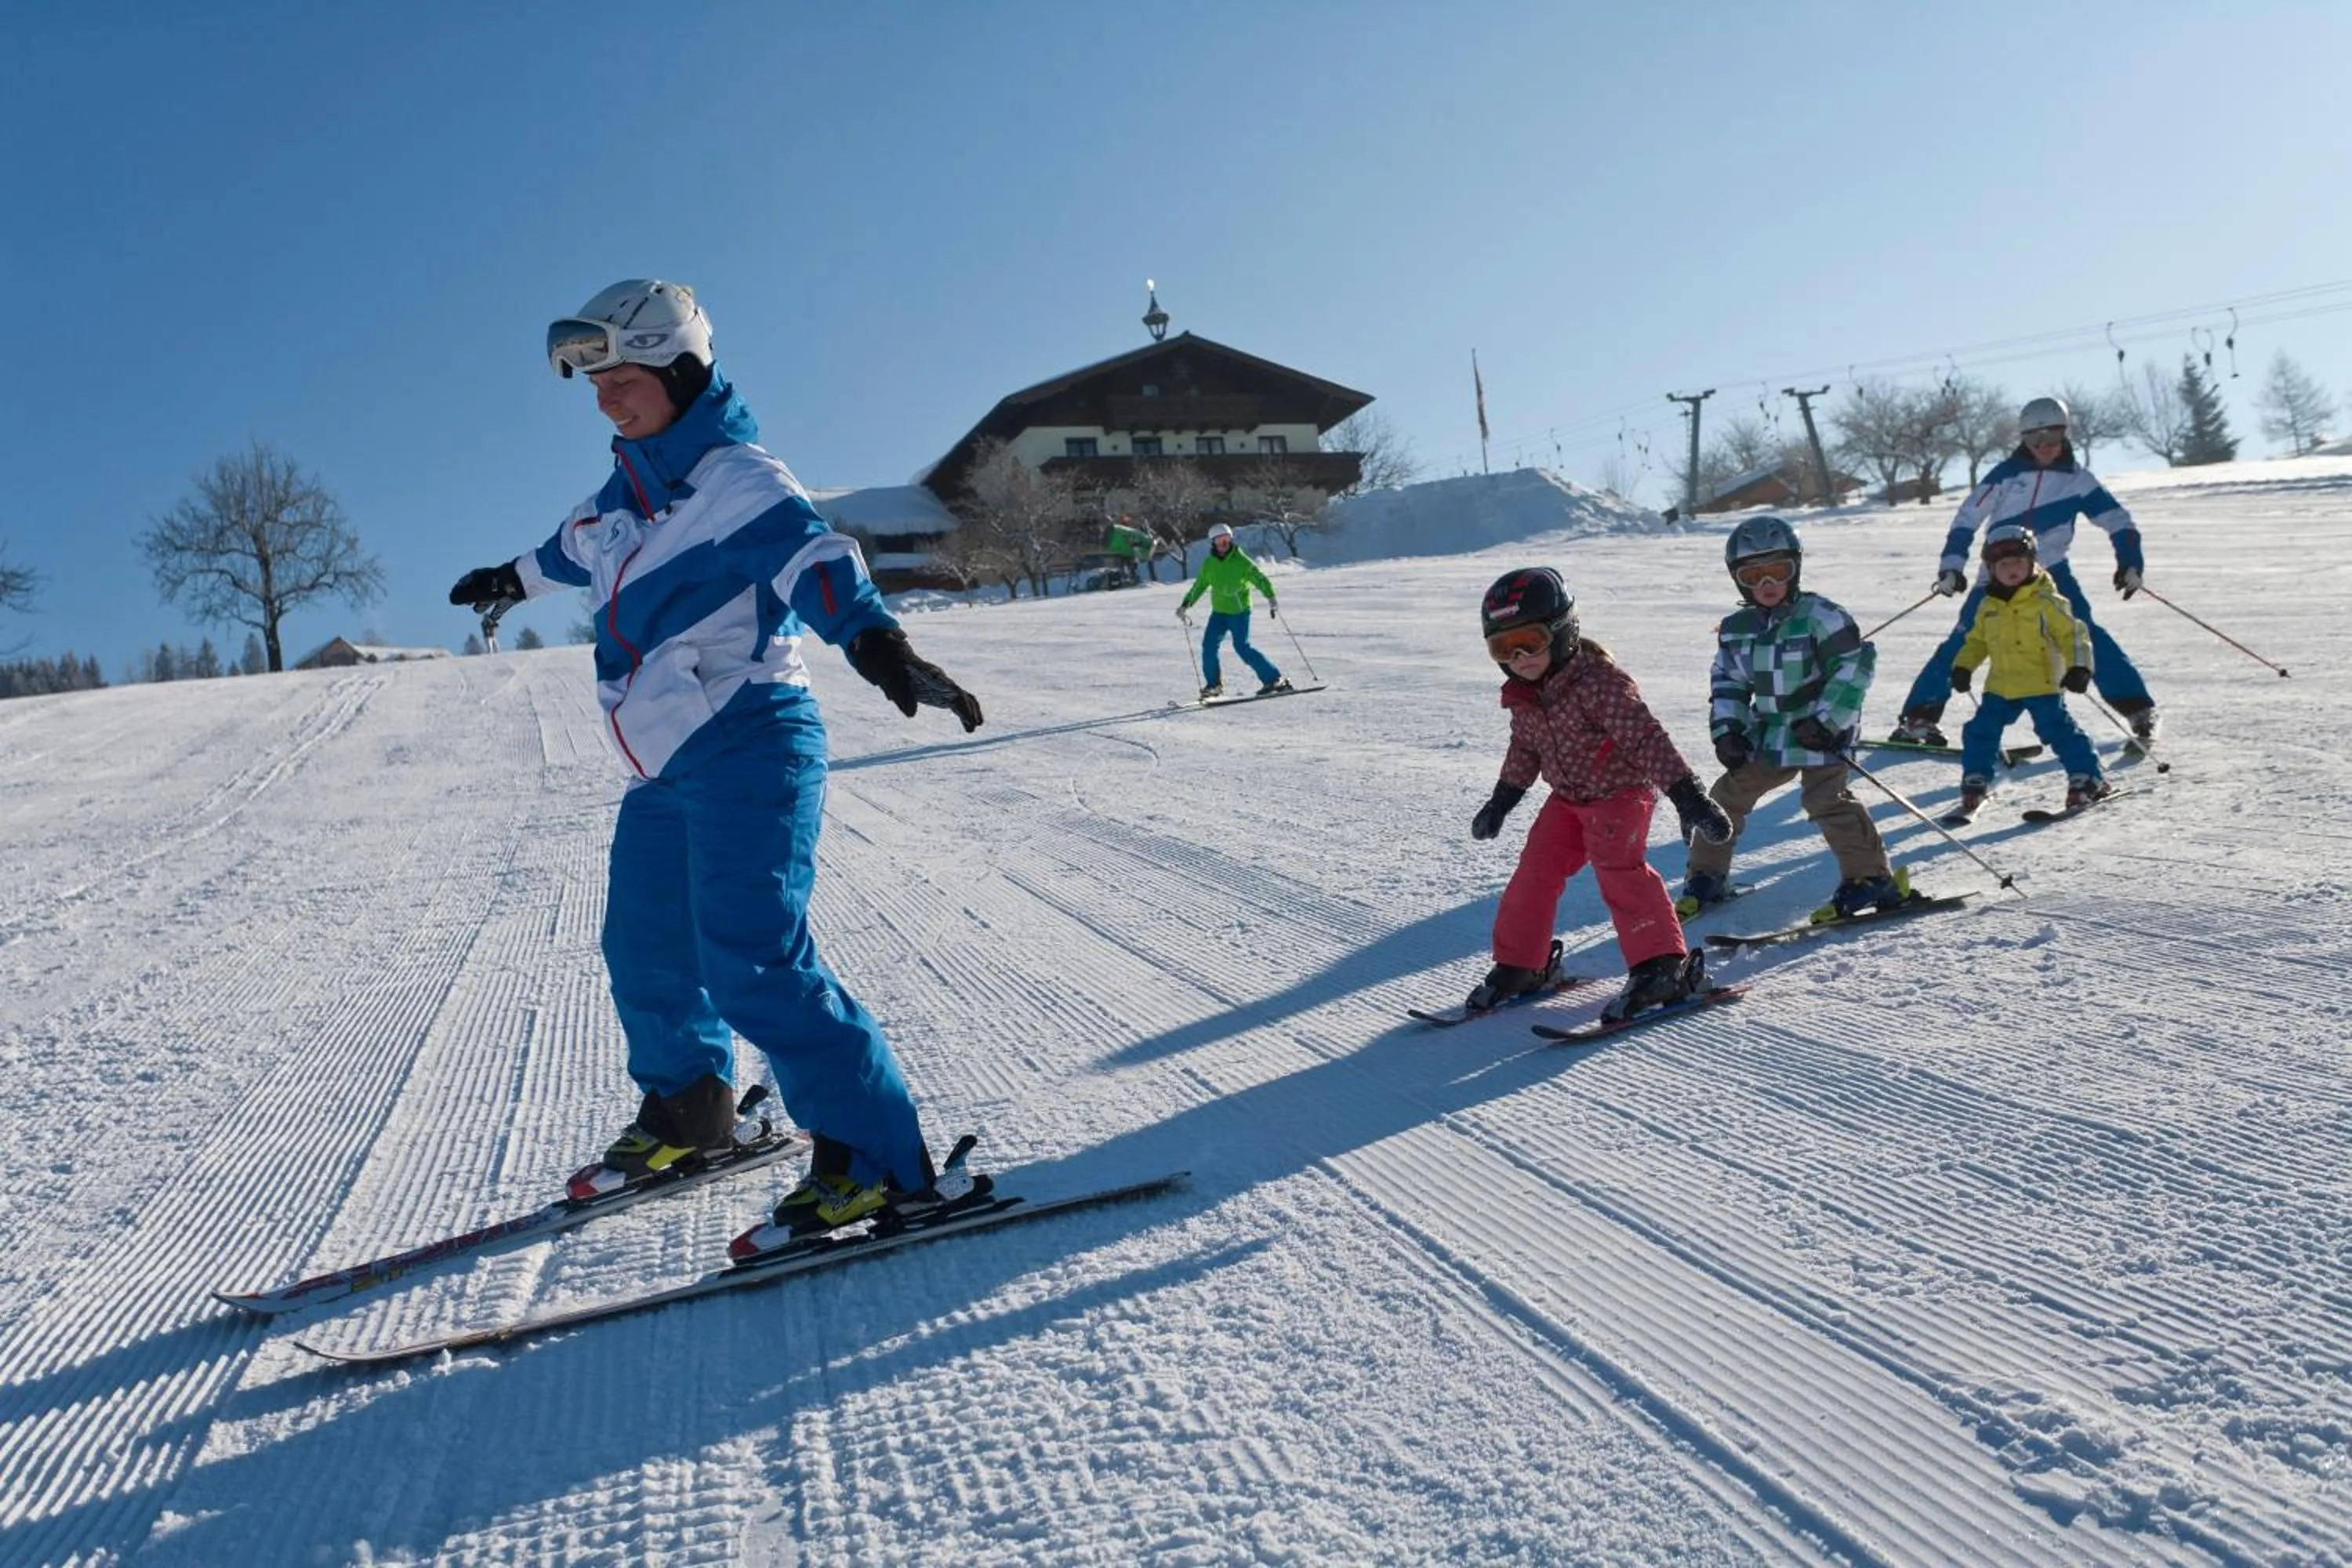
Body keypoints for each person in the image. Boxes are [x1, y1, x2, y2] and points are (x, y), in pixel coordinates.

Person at [445, 279, 985, 1249]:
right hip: (662, 766)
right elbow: (566, 550)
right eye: (594, 384)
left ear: (681, 370)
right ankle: (692, 1107)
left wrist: (876, 641)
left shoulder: (737, 479)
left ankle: (879, 1161)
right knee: (644, 946)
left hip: (748, 737)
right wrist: (509, 579)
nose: (605, 400)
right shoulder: (622, 500)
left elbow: (815, 555)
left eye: (621, 379)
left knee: (752, 957)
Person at [1466, 568, 1734, 1022]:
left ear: (1563, 631)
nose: (1519, 657)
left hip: (1620, 794)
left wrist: (1686, 793)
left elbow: (1646, 739)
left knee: (1619, 870)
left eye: (1529, 641)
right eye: (1503, 648)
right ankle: (1523, 964)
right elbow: (1524, 749)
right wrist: (1502, 800)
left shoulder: (1600, 684)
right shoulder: (1526, 694)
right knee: (1534, 871)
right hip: (1568, 799)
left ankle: (1661, 967)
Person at [1890, 394, 2156, 747]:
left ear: (2065, 433)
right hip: (1997, 574)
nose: (2044, 446)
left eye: (2052, 436)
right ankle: (1918, 719)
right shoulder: (2005, 476)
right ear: (2024, 439)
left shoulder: (2078, 480)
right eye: (2035, 438)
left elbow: (2119, 521)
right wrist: (1952, 566)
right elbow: (1966, 519)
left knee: (2085, 634)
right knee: (1966, 639)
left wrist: (2130, 563)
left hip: (2052, 575)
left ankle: (2138, 709)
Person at [1680, 516, 1909, 922]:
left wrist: (1827, 722)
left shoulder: (1822, 615)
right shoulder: (1737, 630)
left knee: (1826, 800)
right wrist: (1728, 730)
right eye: (1753, 576)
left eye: (1778, 571)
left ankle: (1870, 878)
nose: (1767, 583)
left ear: (1796, 568)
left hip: (1820, 732)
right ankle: (1706, 876)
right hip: (1771, 733)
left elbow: (1854, 668)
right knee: (1725, 798)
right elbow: (1729, 682)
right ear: (1738, 580)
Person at [1948, 521, 2111, 815]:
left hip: (2042, 683)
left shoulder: (2047, 602)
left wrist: (2079, 667)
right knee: (1980, 731)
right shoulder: (1989, 606)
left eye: (2019, 562)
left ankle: (2087, 777)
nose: (2012, 570)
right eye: (2004, 565)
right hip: (2001, 685)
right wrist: (1963, 666)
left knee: (2058, 731)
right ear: (1991, 569)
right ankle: (1976, 778)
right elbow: (1977, 642)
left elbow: (2074, 635)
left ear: (2032, 562)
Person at [1176, 522, 1290, 698]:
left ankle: (1274, 679)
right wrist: (1186, 604)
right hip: (1219, 613)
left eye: (1226, 538)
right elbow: (1199, 586)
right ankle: (1214, 686)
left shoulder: (1241, 561)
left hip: (1240, 612)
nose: (1224, 543)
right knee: (1208, 647)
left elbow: (1259, 578)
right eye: (1219, 540)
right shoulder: (1209, 564)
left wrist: (1271, 597)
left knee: (1242, 647)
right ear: (1213, 542)